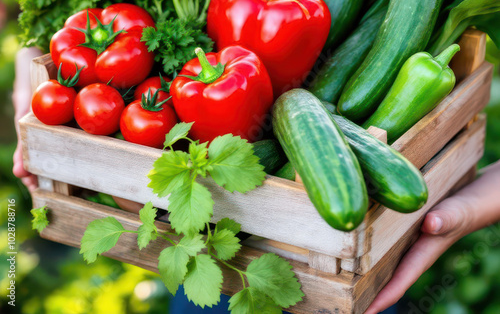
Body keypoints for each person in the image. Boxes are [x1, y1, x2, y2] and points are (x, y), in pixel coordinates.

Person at [12, 48, 500, 312]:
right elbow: (37, 49)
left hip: (348, 278)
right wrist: (26, 89)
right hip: (218, 275)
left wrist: (474, 205)